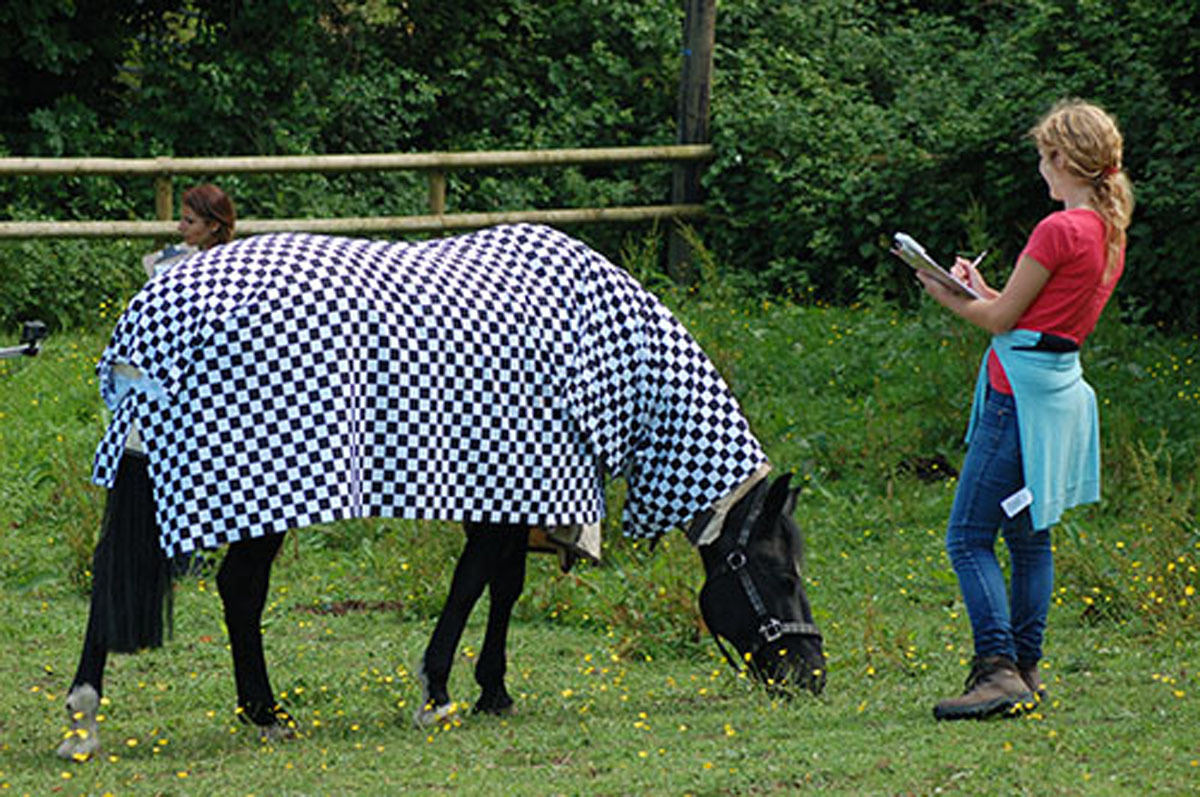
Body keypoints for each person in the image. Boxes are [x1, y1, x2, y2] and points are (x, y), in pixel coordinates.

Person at [915, 99, 1134, 720]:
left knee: (967, 537)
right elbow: (1033, 314)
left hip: (1017, 401)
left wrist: (944, 294)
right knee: (1030, 539)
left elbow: (1002, 319)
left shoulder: (1058, 229)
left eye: (1044, 157)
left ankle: (997, 667)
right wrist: (978, 289)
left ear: (1062, 157)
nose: (1041, 169)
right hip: (1057, 390)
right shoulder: (1106, 230)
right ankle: (1026, 667)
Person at [58, 184, 236, 760]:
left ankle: (88, 688)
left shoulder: (224, 276)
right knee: (123, 550)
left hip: (170, 425)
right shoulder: (168, 272)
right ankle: (88, 685)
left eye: (190, 221)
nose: (181, 228)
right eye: (180, 219)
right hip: (164, 430)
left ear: (214, 225)